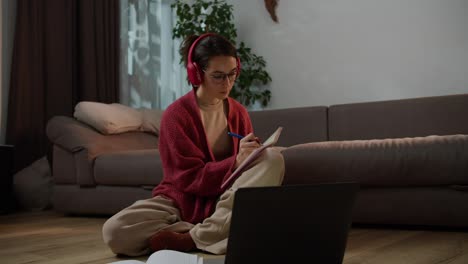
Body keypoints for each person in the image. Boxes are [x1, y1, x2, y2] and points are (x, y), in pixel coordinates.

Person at [102, 32, 285, 256]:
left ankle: (191, 238)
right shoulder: (176, 116)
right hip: (180, 200)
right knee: (115, 231)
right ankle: (213, 232)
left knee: (273, 159)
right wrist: (235, 162)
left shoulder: (239, 112)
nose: (227, 83)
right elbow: (188, 178)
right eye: (218, 76)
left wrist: (250, 157)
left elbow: (244, 176)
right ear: (196, 73)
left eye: (232, 74)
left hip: (223, 199)